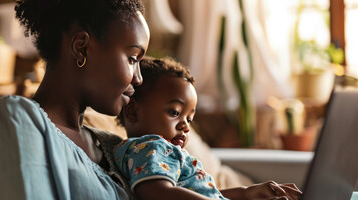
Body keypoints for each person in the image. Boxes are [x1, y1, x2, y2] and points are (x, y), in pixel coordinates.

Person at [0, 0, 149, 199]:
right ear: (82, 48)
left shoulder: (115, 147)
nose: (138, 78)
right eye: (132, 58)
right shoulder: (16, 120)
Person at [115, 57, 302, 200]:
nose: (185, 126)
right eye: (174, 112)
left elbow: (201, 193)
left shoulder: (160, 153)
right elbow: (159, 193)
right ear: (132, 111)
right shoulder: (151, 147)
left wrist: (245, 193)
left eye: (190, 118)